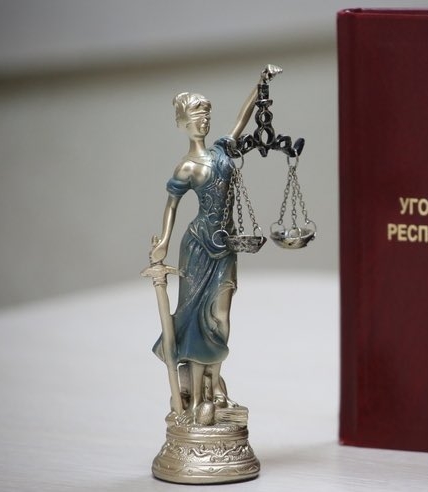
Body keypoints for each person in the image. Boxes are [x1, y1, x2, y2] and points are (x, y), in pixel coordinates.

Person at [150, 65, 281, 419]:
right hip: (197, 248)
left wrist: (260, 86)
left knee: (221, 317)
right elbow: (172, 206)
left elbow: (242, 119)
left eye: (206, 116)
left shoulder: (223, 150)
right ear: (183, 124)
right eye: (196, 118)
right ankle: (201, 393)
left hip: (226, 247)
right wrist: (164, 241)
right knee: (195, 318)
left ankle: (215, 383)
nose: (203, 123)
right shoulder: (186, 167)